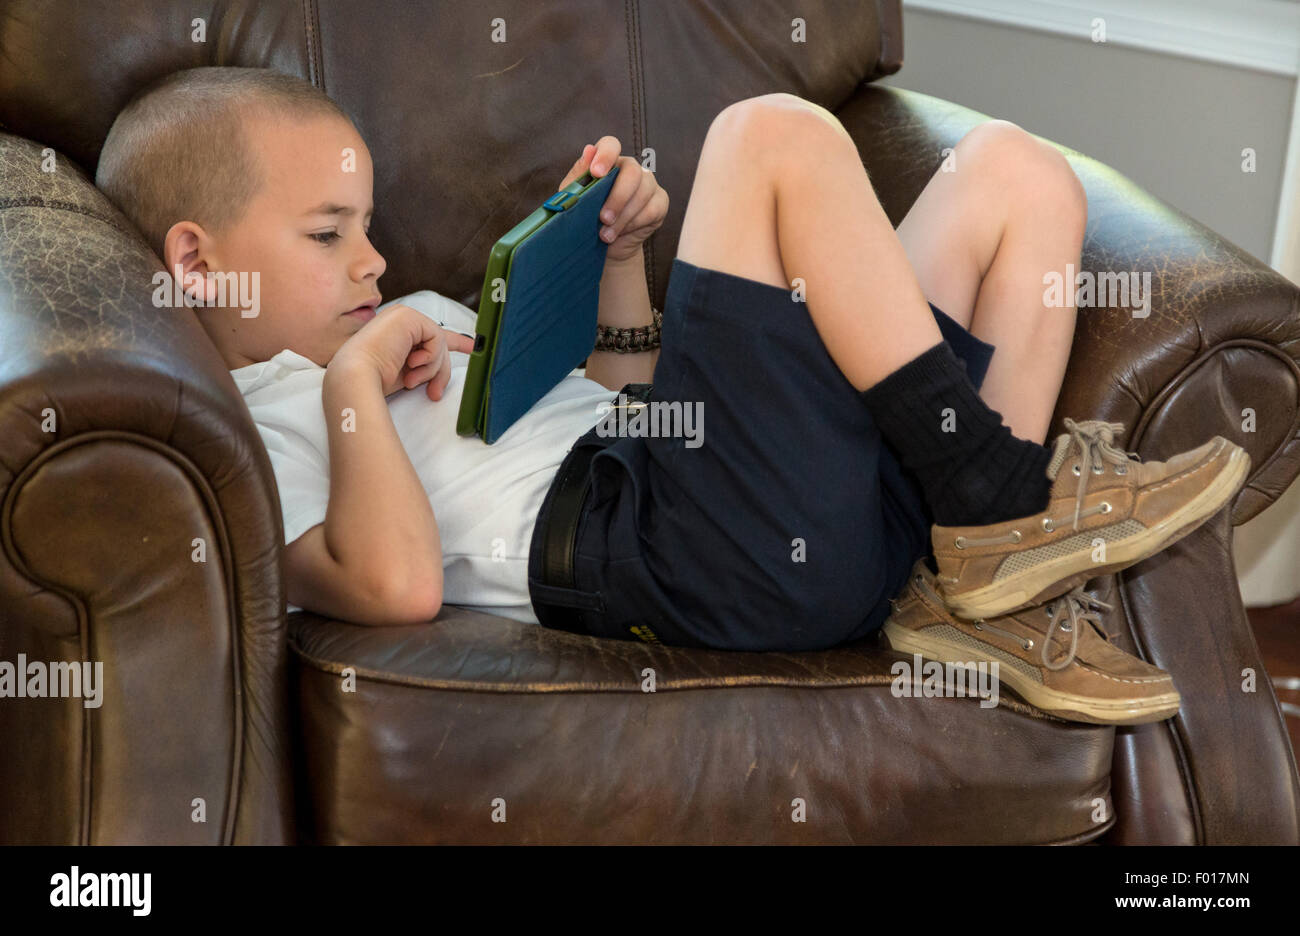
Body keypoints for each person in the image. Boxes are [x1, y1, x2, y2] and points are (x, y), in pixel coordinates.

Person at [95, 68, 1248, 726]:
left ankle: (975, 580)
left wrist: (613, 260)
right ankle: (998, 503)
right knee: (766, 135)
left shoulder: (422, 314)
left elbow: (639, 402)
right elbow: (391, 586)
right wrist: (353, 383)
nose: (372, 261)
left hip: (710, 496)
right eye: (326, 233)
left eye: (365, 227)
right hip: (672, 559)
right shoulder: (242, 431)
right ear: (198, 264)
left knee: (1017, 174)